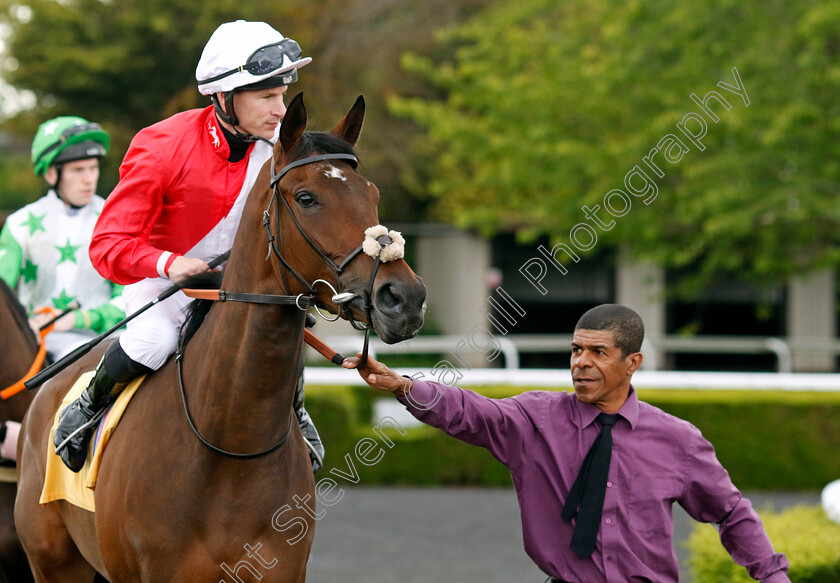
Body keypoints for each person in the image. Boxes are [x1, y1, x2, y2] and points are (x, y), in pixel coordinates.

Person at [344, 304, 790, 583]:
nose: (581, 363)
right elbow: (471, 411)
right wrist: (404, 386)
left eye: (598, 352)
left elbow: (731, 513)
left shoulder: (680, 441)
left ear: (632, 362)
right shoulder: (533, 419)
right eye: (576, 350)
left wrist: (772, 577)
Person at [52, 20, 325, 475]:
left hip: (238, 290)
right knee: (152, 342)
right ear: (223, 96)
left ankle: (294, 409)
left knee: (282, 328)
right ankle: (87, 405)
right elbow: (106, 246)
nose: (280, 110)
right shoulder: (161, 146)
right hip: (164, 285)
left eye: (282, 95)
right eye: (266, 96)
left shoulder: (285, 149)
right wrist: (170, 263)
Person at [0, 115, 125, 462]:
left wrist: (79, 318)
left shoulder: (114, 220)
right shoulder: (20, 224)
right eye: (77, 170)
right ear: (52, 173)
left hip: (98, 345)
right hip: (32, 349)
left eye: (93, 168)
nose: (89, 179)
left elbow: (128, 298)